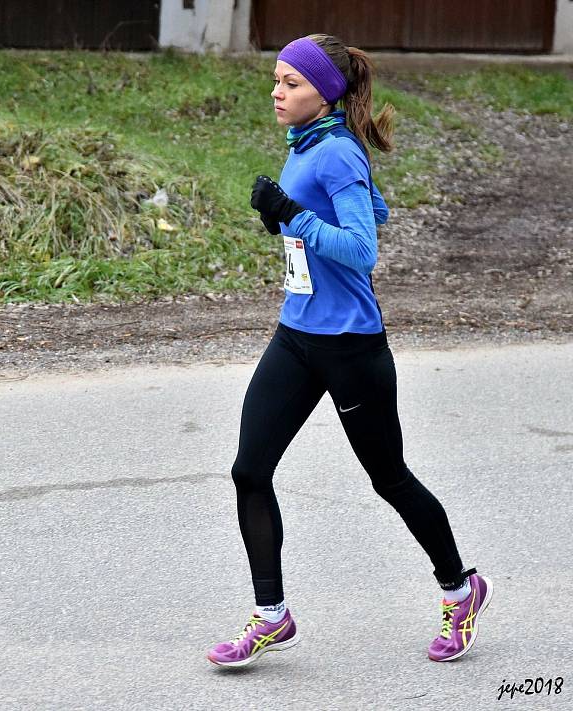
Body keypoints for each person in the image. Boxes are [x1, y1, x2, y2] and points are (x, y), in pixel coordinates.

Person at [206, 34, 492, 668]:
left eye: (291, 84)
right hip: (297, 335)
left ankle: (460, 587)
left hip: (351, 347)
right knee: (249, 470)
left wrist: (296, 218)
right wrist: (289, 218)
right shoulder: (310, 143)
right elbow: (376, 209)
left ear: (324, 93)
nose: (277, 92)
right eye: (276, 80)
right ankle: (271, 614)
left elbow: (363, 250)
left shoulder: (333, 152)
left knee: (388, 477)